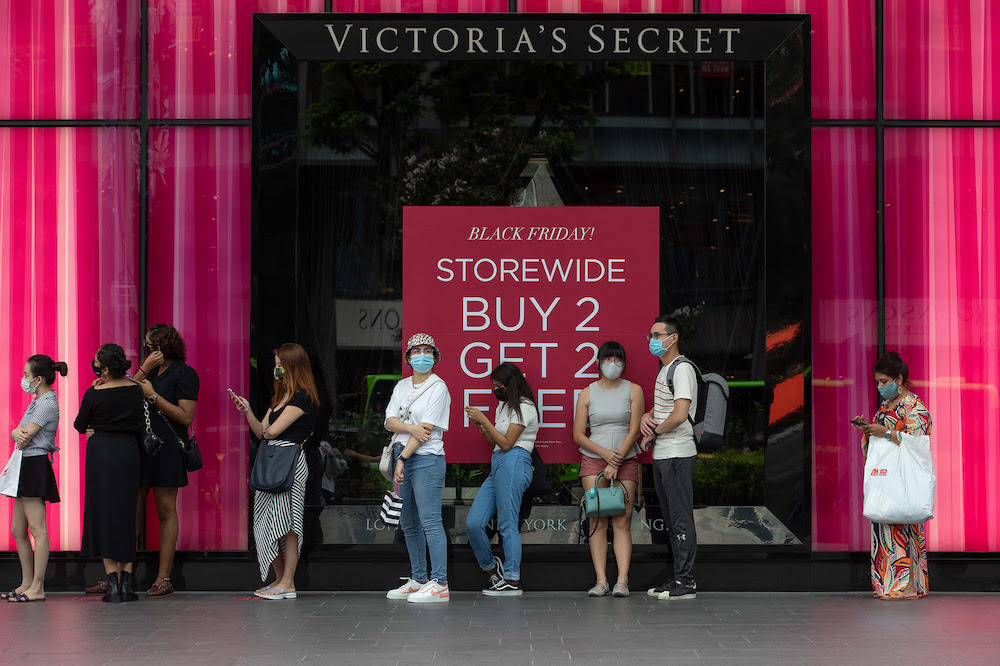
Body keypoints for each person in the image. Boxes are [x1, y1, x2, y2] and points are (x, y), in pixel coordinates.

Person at [230, 343, 317, 600]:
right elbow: (261, 432)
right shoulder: (279, 398)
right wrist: (247, 411)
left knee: (288, 523)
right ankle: (279, 580)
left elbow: (272, 431)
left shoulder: (302, 397)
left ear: (293, 367)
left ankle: (288, 582)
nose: (276, 370)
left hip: (289, 463)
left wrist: (267, 429)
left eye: (280, 365)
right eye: (276, 365)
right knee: (266, 522)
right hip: (271, 461)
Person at [852, 351, 932, 601]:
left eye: (884, 381)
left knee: (904, 525)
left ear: (899, 378)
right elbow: (879, 439)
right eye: (878, 382)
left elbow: (919, 443)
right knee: (885, 524)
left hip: (903, 481)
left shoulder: (915, 408)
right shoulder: (886, 407)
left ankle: (908, 587)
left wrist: (885, 433)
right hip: (886, 481)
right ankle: (887, 585)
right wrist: (867, 428)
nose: (880, 387)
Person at [383, 333, 451, 604]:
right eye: (416, 351)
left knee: (430, 521)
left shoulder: (438, 387)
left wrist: (403, 458)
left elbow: (427, 431)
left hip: (425, 457)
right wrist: (409, 428)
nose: (422, 355)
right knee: (408, 521)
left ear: (434, 356)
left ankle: (441, 582)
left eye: (427, 351)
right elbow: (389, 421)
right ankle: (419, 578)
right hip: (402, 452)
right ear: (408, 357)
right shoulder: (401, 386)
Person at [573, 341, 644, 598]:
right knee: (597, 519)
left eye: (617, 359)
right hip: (593, 459)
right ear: (598, 363)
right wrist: (604, 455)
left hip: (626, 458)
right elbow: (578, 435)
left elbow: (635, 429)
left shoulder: (634, 390)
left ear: (624, 363)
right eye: (607, 359)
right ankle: (601, 580)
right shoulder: (587, 393)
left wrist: (616, 460)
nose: (612, 364)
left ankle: (622, 581)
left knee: (622, 521)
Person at [132, 324, 198, 597]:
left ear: (163, 347)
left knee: (165, 510)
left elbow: (185, 417)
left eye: (151, 346)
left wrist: (154, 397)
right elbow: (126, 395)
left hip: (168, 448)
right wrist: (144, 369)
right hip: (140, 445)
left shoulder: (184, 373)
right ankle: (121, 572)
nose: (147, 349)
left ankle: (163, 577)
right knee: (131, 509)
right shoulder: (149, 370)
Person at [75, 344, 144, 603]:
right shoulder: (135, 390)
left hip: (101, 453)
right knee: (126, 513)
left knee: (102, 513)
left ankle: (111, 584)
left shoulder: (94, 393)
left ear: (104, 368)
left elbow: (79, 425)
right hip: (128, 452)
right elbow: (138, 422)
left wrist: (97, 426)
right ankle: (126, 581)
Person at [465, 362, 539, 597]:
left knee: (508, 524)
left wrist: (484, 420)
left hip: (515, 461)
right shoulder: (502, 408)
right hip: (498, 463)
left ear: (512, 384)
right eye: (494, 386)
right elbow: (496, 445)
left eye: (499, 385)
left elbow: (508, 444)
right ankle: (491, 569)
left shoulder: (525, 406)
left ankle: (512, 580)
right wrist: (482, 428)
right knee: (474, 524)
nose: (496, 390)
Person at [640, 315, 698, 601]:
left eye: (657, 334)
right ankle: (677, 577)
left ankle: (686, 581)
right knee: (670, 519)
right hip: (664, 454)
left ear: (673, 338)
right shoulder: (664, 370)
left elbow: (679, 414)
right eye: (650, 335)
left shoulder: (682, 368)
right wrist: (647, 417)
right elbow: (665, 409)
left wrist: (654, 433)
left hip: (677, 452)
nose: (652, 340)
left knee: (680, 518)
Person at [3, 355, 66, 603]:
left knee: (38, 529)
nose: (24, 380)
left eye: (27, 376)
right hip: (24, 464)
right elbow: (17, 432)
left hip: (34, 465)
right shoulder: (36, 401)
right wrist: (15, 432)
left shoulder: (46, 403)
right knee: (18, 529)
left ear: (38, 379)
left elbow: (23, 435)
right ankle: (26, 583)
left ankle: (37, 586)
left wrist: (16, 433)